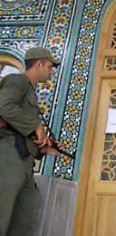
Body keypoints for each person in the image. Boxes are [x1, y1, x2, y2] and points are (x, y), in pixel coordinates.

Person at [0, 47, 62, 236]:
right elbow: (2, 105)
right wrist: (36, 126)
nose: (51, 72)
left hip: (25, 161)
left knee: (23, 222)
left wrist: (44, 147)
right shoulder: (17, 80)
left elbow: (20, 129)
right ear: (39, 64)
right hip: (8, 156)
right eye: (50, 67)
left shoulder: (30, 92)